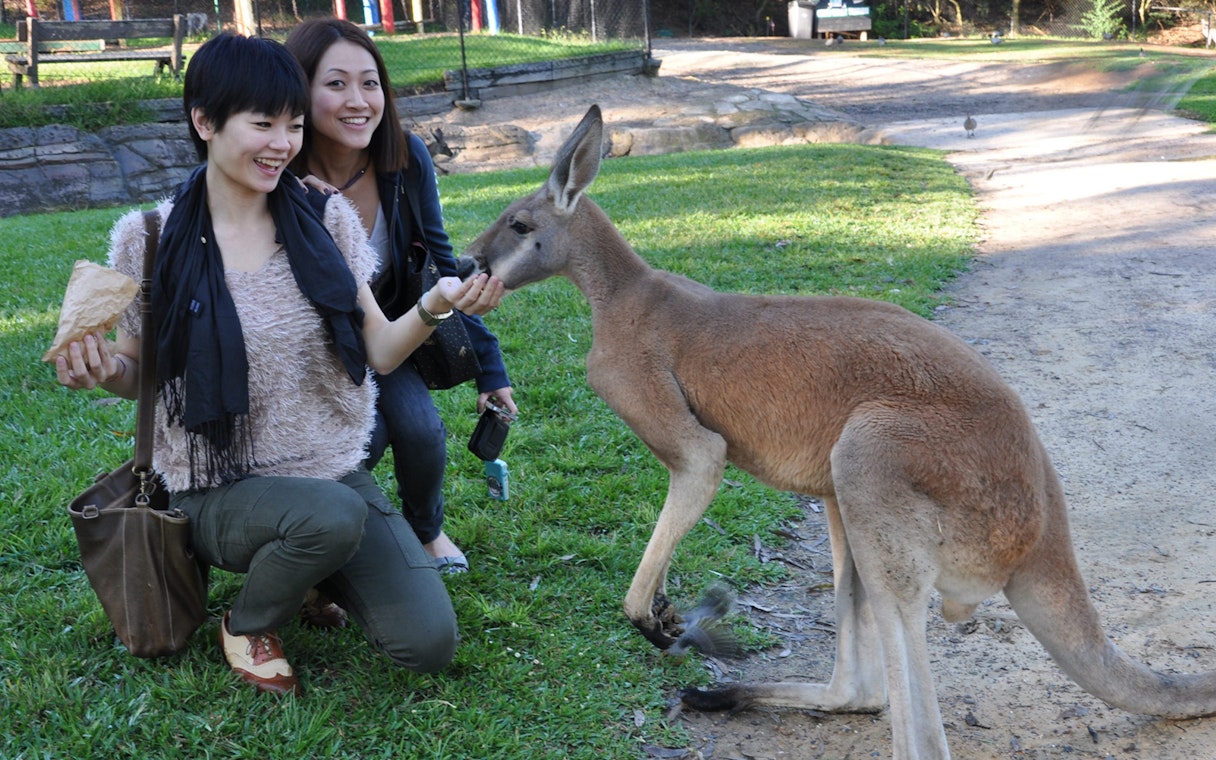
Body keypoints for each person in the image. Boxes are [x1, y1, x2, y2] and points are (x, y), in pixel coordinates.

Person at [52, 33, 504, 695]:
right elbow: (140, 374)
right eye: (261, 124)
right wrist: (99, 371)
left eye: (292, 125)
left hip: (330, 469)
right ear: (204, 122)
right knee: (330, 518)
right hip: (218, 482)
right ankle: (247, 620)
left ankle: (311, 565)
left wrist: (436, 303)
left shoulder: (325, 221)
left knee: (427, 643)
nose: (282, 144)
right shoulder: (147, 238)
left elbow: (377, 350)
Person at [285, 18, 517, 576]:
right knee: (368, 437)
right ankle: (324, 550)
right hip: (308, 344)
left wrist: (490, 369)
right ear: (298, 90)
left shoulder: (405, 159)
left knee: (419, 428)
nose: (359, 101)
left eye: (370, 84)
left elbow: (440, 262)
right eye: (335, 84)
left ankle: (427, 530)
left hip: (387, 332)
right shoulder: (279, 168)